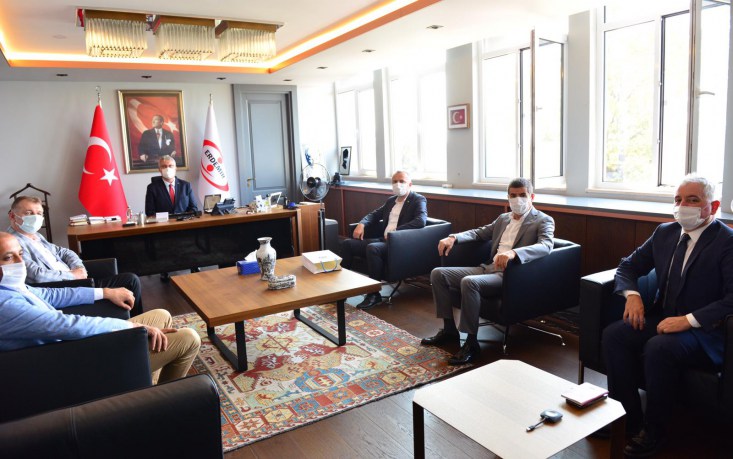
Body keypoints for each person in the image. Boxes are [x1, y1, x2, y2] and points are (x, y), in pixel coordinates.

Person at [602, 174, 733, 458]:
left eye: (693, 200)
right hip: (664, 318)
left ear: (713, 206)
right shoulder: (665, 232)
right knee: (615, 335)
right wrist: (633, 295)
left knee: (659, 348)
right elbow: (627, 266)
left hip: (705, 331)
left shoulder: (727, 241)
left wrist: (688, 320)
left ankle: (654, 430)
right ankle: (626, 417)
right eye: (678, 199)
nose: (683, 206)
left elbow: (731, 298)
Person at [0, 231, 200, 384]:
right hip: (74, 360)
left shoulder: (11, 286)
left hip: (74, 346)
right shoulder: (5, 304)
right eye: (9, 258)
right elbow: (69, 325)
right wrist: (135, 327)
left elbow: (53, 295)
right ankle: (163, 401)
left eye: (20, 254)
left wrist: (105, 292)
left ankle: (148, 385)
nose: (21, 262)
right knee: (189, 338)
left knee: (161, 315)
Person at [421, 177, 554, 365]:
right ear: (508, 197)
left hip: (510, 275)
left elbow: (546, 245)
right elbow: (478, 233)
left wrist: (514, 253)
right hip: (487, 268)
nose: (518, 199)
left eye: (522, 195)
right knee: (438, 273)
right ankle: (449, 330)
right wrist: (453, 238)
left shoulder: (543, 220)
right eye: (513, 195)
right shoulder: (503, 219)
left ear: (531, 196)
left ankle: (471, 343)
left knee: (469, 282)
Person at [8, 196, 144, 317]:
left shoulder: (35, 235)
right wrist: (73, 276)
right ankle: (138, 327)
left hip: (75, 278)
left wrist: (78, 267)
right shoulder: (12, 243)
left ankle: (136, 324)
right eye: (29, 213)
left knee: (130, 279)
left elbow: (64, 252)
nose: (35, 217)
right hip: (62, 288)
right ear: (13, 216)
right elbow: (37, 275)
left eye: (39, 213)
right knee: (130, 280)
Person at [340, 171, 427, 310]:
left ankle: (373, 294)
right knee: (347, 244)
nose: (398, 184)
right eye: (394, 181)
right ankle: (341, 290)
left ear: (410, 184)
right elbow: (374, 215)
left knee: (373, 248)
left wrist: (396, 231)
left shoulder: (418, 199)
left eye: (402, 181)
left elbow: (420, 221)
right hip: (383, 240)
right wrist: (362, 224)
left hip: (400, 243)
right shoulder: (391, 201)